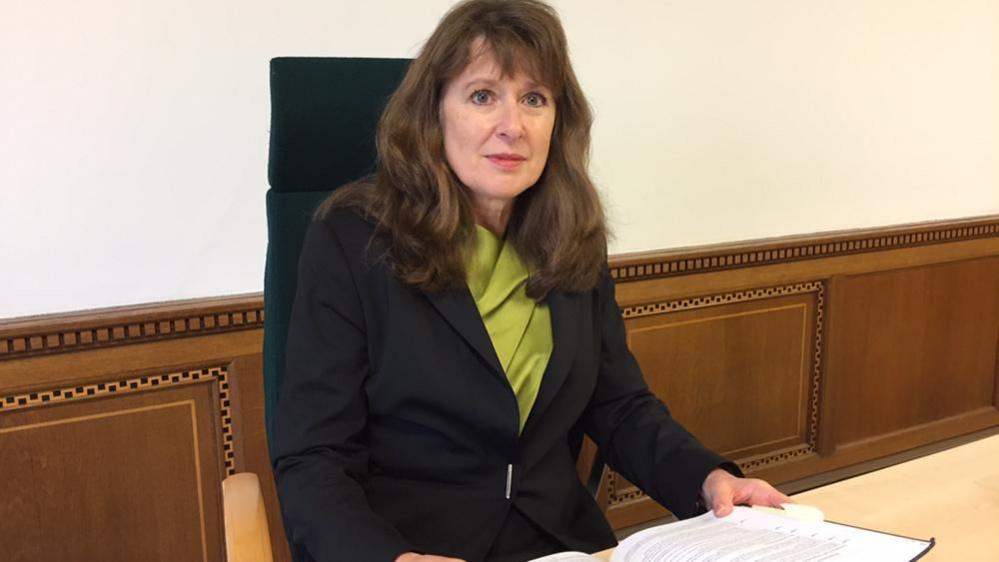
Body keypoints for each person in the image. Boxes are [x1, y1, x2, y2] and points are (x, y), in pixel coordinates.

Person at [271, 1, 790, 561]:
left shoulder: (572, 237)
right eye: (482, 96)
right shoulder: (354, 241)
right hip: (414, 545)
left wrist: (710, 480)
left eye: (534, 99)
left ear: (557, 122)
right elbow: (314, 456)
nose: (511, 126)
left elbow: (620, 406)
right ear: (433, 113)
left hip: (558, 542)